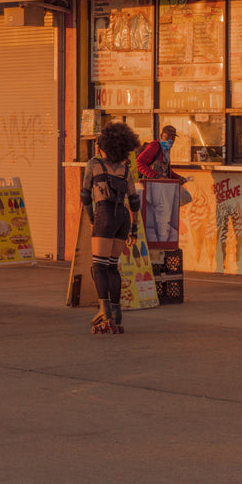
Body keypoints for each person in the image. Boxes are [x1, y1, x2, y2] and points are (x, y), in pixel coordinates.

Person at [80, 121, 141, 334]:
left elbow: (85, 195)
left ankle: (103, 310)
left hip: (104, 214)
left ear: (104, 145)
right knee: (113, 266)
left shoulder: (94, 165)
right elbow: (134, 200)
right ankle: (116, 311)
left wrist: (91, 219)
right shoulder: (125, 170)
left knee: (99, 266)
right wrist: (133, 228)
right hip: (123, 217)